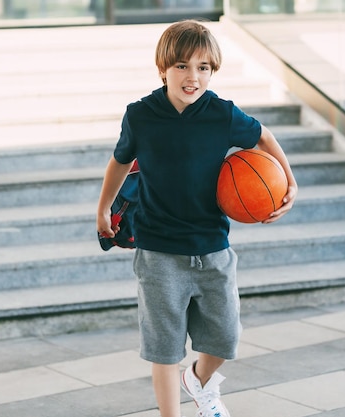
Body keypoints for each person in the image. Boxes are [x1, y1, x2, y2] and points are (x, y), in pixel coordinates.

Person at [96, 19, 298, 417]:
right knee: (164, 349)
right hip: (158, 251)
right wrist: (103, 207)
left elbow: (264, 137)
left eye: (203, 67)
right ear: (163, 68)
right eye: (183, 66)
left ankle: (200, 381)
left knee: (225, 339)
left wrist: (290, 182)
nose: (193, 77)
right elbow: (118, 163)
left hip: (212, 247)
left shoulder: (221, 114)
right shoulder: (141, 115)